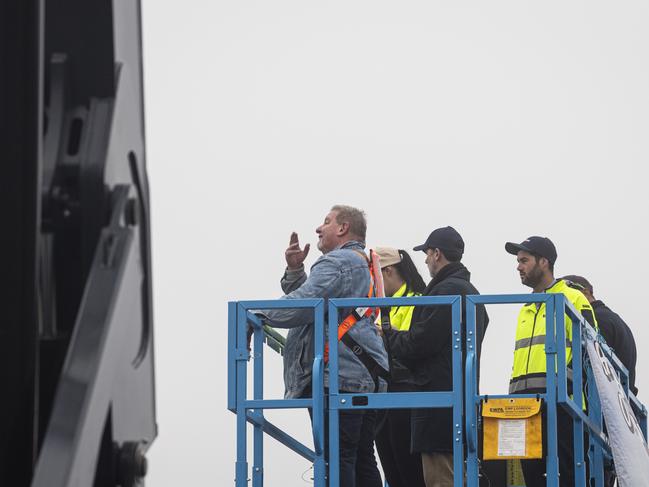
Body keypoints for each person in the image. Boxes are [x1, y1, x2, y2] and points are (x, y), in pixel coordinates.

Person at [260, 205, 388, 487]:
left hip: (340, 378)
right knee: (360, 457)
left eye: (326, 222)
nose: (318, 228)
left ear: (343, 228)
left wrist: (258, 314)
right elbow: (319, 301)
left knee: (338, 458)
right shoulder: (360, 262)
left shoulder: (338, 262)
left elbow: (305, 305)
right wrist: (295, 271)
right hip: (365, 374)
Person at [384, 226, 489, 487]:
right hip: (459, 401)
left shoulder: (445, 292)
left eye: (428, 254)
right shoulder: (471, 293)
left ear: (438, 254)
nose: (426, 260)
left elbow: (420, 343)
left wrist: (387, 336)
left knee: (440, 480)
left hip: (438, 407)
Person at [505, 236, 597, 487]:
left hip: (562, 404)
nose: (518, 267)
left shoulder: (573, 298)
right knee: (533, 478)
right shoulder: (526, 306)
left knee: (567, 476)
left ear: (544, 262)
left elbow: (591, 352)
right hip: (524, 406)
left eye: (524, 260)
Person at [372, 247, 426, 487]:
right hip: (384, 389)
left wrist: (384, 335)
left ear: (389, 271)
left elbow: (413, 345)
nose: (373, 283)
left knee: (407, 466)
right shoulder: (382, 305)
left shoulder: (417, 301)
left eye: (375, 275)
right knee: (391, 466)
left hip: (406, 389)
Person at [561, 274, 638, 395]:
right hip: (619, 401)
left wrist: (561, 385)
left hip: (607, 402)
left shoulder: (597, 319)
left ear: (585, 292)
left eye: (568, 294)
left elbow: (590, 360)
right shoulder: (611, 318)